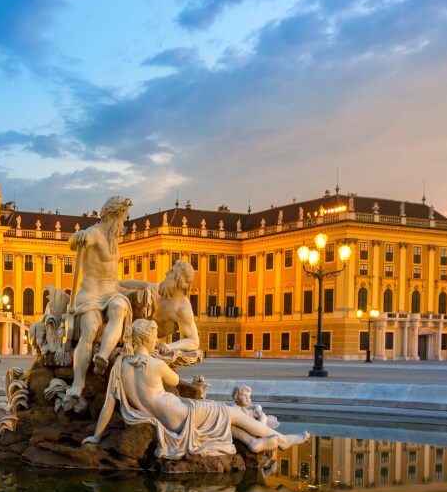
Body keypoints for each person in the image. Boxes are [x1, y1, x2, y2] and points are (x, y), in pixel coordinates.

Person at [86, 320, 309, 459]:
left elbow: (108, 404)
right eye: (154, 337)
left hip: (167, 417)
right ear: (145, 338)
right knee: (228, 412)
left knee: (222, 417)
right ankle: (280, 439)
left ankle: (253, 442)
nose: (157, 340)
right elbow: (173, 381)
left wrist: (97, 437)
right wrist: (163, 357)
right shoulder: (155, 364)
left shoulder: (120, 365)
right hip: (179, 414)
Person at [61, 195, 135, 405]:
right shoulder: (94, 233)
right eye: (122, 218)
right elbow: (73, 242)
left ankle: (102, 357)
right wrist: (78, 236)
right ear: (112, 216)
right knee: (90, 329)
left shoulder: (114, 239)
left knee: (120, 308)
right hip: (90, 294)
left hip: (111, 292)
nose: (123, 223)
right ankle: (78, 382)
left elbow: (116, 277)